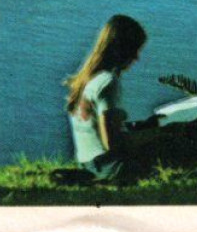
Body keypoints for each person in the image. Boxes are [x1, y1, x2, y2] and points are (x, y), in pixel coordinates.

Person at [64, 14, 151, 181]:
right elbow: (111, 143)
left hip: (86, 163)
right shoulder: (108, 82)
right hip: (107, 167)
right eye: (134, 50)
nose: (136, 58)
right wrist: (150, 135)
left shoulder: (86, 80)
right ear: (122, 49)